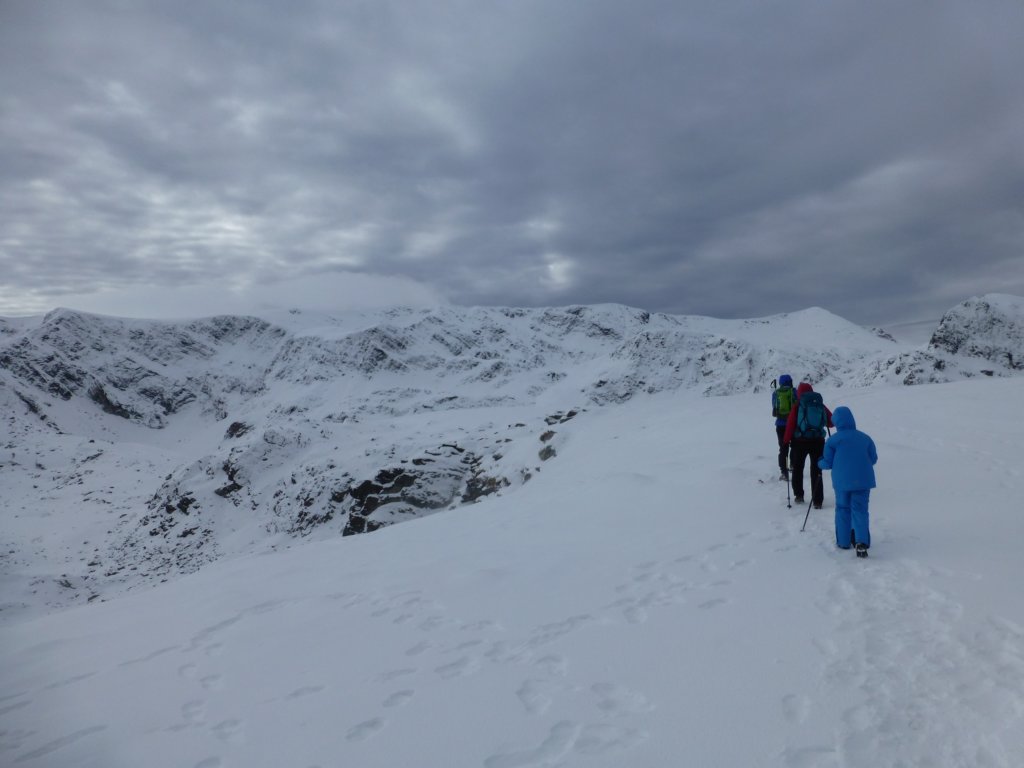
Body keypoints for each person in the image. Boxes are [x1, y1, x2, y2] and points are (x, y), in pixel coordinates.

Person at [818, 406, 877, 557]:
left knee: (843, 509)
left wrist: (819, 463)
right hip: (863, 480)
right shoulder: (865, 438)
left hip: (842, 481)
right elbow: (873, 458)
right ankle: (861, 542)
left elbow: (827, 463)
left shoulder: (833, 441)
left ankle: (844, 541)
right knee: (860, 510)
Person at [783, 381, 833, 508]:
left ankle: (799, 495)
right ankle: (817, 501)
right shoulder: (819, 404)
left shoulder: (798, 405)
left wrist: (786, 441)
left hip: (800, 442)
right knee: (816, 470)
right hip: (818, 441)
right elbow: (831, 422)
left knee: (798, 468)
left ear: (799, 393)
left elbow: (790, 425)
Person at [771, 374, 795, 480]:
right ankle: (793, 465)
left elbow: (774, 407)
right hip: (793, 424)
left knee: (783, 448)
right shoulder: (794, 392)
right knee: (795, 446)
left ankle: (784, 472)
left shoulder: (776, 393)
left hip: (780, 425)